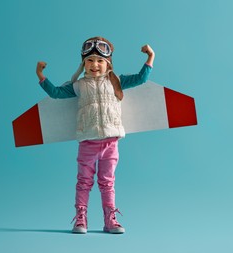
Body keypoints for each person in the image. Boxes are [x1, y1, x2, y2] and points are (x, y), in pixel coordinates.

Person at [36, 36, 155, 234]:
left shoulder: (116, 81)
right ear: (83, 63)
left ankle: (110, 219)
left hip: (111, 142)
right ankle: (80, 218)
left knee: (107, 182)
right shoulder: (79, 85)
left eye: (100, 60)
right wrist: (40, 74)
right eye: (89, 61)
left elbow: (141, 79)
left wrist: (151, 56)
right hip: (87, 142)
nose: (94, 65)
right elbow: (56, 93)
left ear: (108, 63)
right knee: (84, 181)